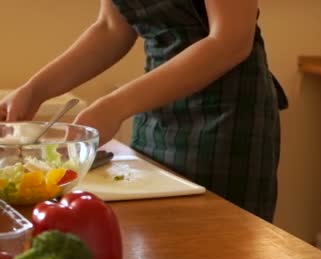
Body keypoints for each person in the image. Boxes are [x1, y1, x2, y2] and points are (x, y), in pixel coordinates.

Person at [0, 0, 286, 222]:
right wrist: (33, 91)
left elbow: (231, 41)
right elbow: (111, 28)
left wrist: (114, 106)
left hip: (227, 120)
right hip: (155, 113)